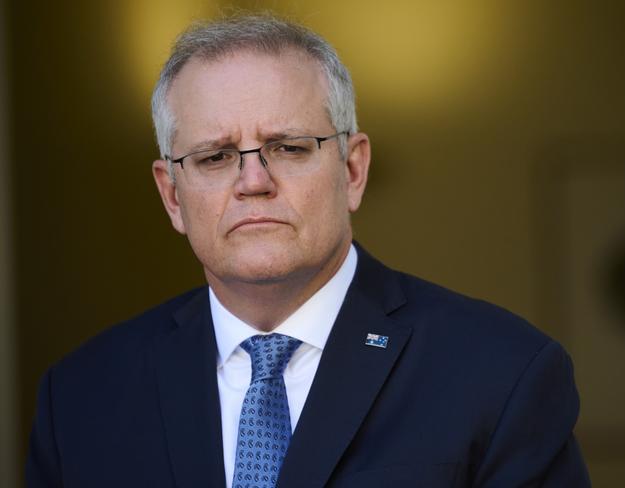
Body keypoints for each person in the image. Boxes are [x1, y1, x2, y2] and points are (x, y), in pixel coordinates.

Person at [26, 14, 591, 488]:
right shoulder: (79, 400)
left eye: (289, 147)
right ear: (172, 195)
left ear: (353, 169)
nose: (253, 181)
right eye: (215, 157)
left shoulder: (501, 372)